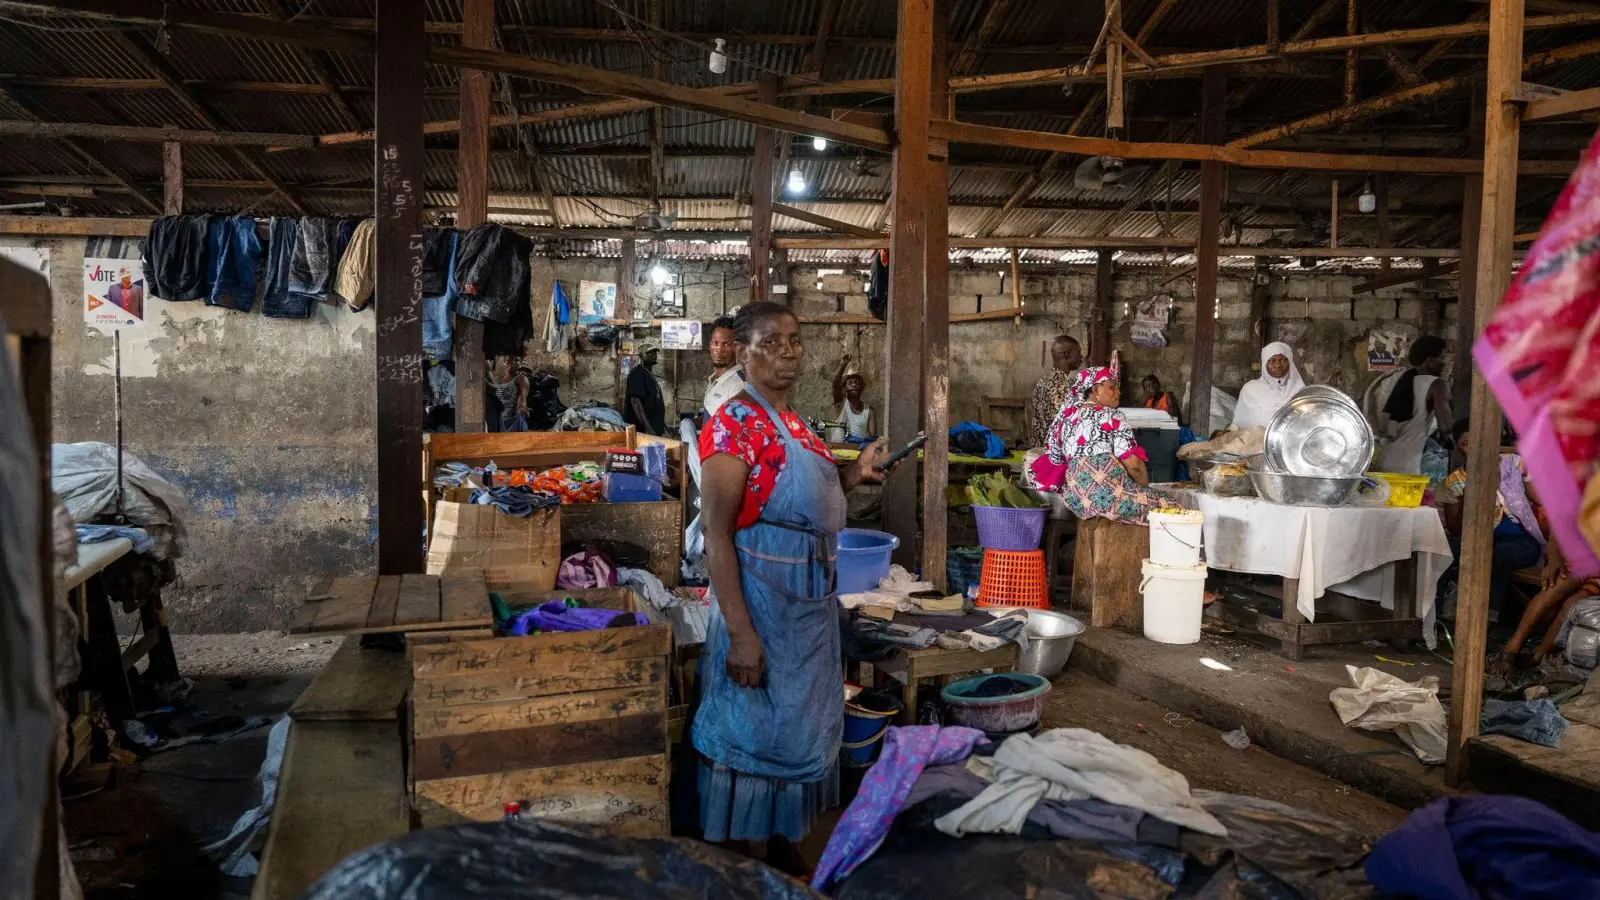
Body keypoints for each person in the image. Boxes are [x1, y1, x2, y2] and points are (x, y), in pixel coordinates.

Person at [693, 301, 895, 872]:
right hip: (760, 606)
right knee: (753, 733)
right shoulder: (733, 424)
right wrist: (740, 635)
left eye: (795, 340)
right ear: (741, 351)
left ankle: (777, 842)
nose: (788, 351)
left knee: (793, 732)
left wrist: (856, 473)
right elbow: (717, 536)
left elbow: (807, 505)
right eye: (772, 342)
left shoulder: (797, 423)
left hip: (805, 609)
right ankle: (740, 860)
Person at [1438, 418, 1545, 620]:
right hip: (1478, 541)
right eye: (1465, 444)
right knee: (1444, 548)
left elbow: (1539, 498)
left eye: (1477, 442)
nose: (1472, 449)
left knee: (1500, 554)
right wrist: (1465, 501)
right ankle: (1435, 612)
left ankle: (1488, 618)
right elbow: (1455, 530)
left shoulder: (1512, 463)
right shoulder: (1453, 483)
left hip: (1521, 541)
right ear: (1458, 446)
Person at [1045, 367, 1167, 525]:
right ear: (1095, 390)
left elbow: (1055, 457)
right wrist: (1145, 491)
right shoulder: (1111, 416)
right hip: (1106, 498)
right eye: (1112, 387)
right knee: (1168, 505)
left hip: (1076, 500)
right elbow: (1134, 464)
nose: (1118, 392)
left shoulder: (1067, 419)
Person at [1364, 335, 1453, 475]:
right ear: (1429, 360)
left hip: (1383, 464)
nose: (1444, 363)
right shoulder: (1438, 385)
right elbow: (1446, 426)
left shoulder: (1400, 380)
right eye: (1442, 357)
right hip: (1407, 469)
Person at [1232, 342, 1305, 430]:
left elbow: (1307, 423)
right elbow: (1238, 422)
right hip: (1255, 441)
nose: (1278, 365)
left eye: (1283, 360)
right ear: (1264, 363)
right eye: (1272, 361)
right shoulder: (1251, 389)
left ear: (1290, 363)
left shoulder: (1300, 391)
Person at [1030, 335, 1084, 447]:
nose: (1082, 357)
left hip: (1039, 447)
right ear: (1068, 355)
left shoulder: (1044, 380)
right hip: (1053, 451)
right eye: (1078, 352)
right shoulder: (1060, 385)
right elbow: (1067, 422)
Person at [703, 315, 745, 418]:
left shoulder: (739, 386)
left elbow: (734, 428)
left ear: (737, 348)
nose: (719, 349)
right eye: (715, 343)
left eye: (726, 344)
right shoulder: (714, 379)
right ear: (709, 345)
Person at [626, 341, 666, 436]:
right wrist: (648, 429)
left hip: (654, 430)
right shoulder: (637, 373)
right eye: (650, 353)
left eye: (655, 352)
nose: (654, 355)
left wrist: (664, 425)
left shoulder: (649, 374)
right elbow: (635, 403)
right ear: (641, 355)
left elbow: (654, 403)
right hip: (643, 431)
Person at [832, 355, 875, 438]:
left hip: (858, 450)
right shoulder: (840, 404)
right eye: (850, 383)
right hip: (838, 450)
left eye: (857, 383)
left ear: (862, 387)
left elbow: (872, 438)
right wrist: (843, 365)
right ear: (844, 388)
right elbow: (835, 385)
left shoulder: (869, 411)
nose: (854, 385)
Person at [487, 357, 530, 432]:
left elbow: (523, 398)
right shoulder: (499, 380)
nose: (512, 362)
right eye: (510, 359)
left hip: (510, 425)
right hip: (497, 424)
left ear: (520, 363)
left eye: (516, 360)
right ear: (505, 361)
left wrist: (522, 407)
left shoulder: (521, 379)